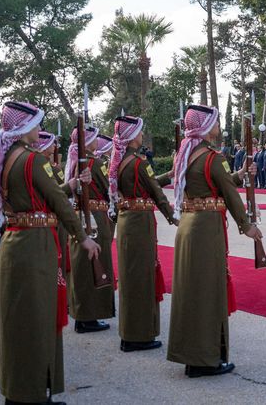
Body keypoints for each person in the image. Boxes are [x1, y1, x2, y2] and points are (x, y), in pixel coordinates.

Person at [0, 100, 101, 404]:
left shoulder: (6, 156)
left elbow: (41, 196)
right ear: (24, 128)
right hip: (35, 245)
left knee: (17, 321)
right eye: (35, 124)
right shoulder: (34, 160)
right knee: (37, 321)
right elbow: (58, 203)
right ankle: (34, 394)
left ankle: (18, 390)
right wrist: (82, 236)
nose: (39, 129)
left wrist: (72, 183)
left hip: (14, 241)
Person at [167, 104, 262, 378]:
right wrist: (247, 226)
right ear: (207, 127)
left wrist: (240, 174)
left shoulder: (185, 153)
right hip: (206, 230)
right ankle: (204, 359)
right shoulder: (212, 156)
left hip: (188, 226)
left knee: (191, 292)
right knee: (208, 293)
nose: (219, 127)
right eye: (216, 123)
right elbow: (229, 194)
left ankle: (191, 354)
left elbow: (213, 184)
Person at [111, 115, 177, 353]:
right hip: (140, 224)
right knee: (142, 279)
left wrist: (167, 175)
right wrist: (173, 217)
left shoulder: (119, 162)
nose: (141, 135)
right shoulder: (139, 163)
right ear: (131, 137)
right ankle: (139, 335)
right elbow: (156, 193)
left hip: (127, 221)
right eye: (139, 132)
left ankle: (128, 333)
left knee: (130, 278)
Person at [66, 124, 116, 334]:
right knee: (94, 266)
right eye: (94, 137)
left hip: (85, 215)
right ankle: (88, 316)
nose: (97, 141)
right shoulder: (94, 162)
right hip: (95, 216)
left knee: (83, 269)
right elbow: (108, 188)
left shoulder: (78, 162)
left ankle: (83, 314)